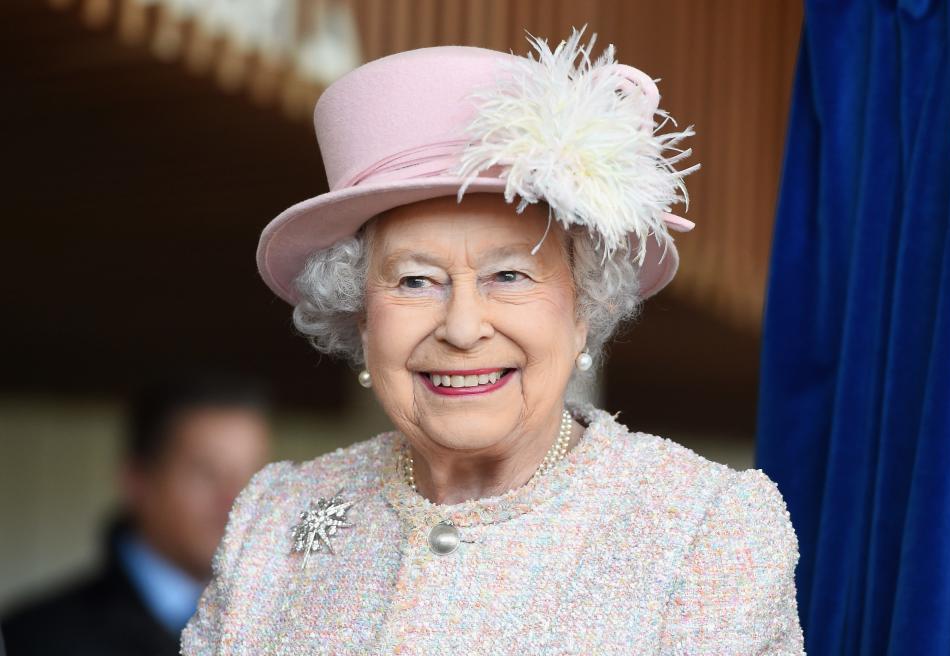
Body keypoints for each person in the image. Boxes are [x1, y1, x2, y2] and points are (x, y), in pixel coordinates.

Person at [181, 27, 805, 654]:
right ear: (361, 317)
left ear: (583, 307)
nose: (461, 327)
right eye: (416, 280)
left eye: (508, 275)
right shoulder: (274, 516)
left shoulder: (705, 527)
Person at [2, 374, 271, 656]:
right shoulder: (33, 640)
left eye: (253, 475)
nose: (235, 498)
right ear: (137, 481)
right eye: (205, 473)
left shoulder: (292, 632)